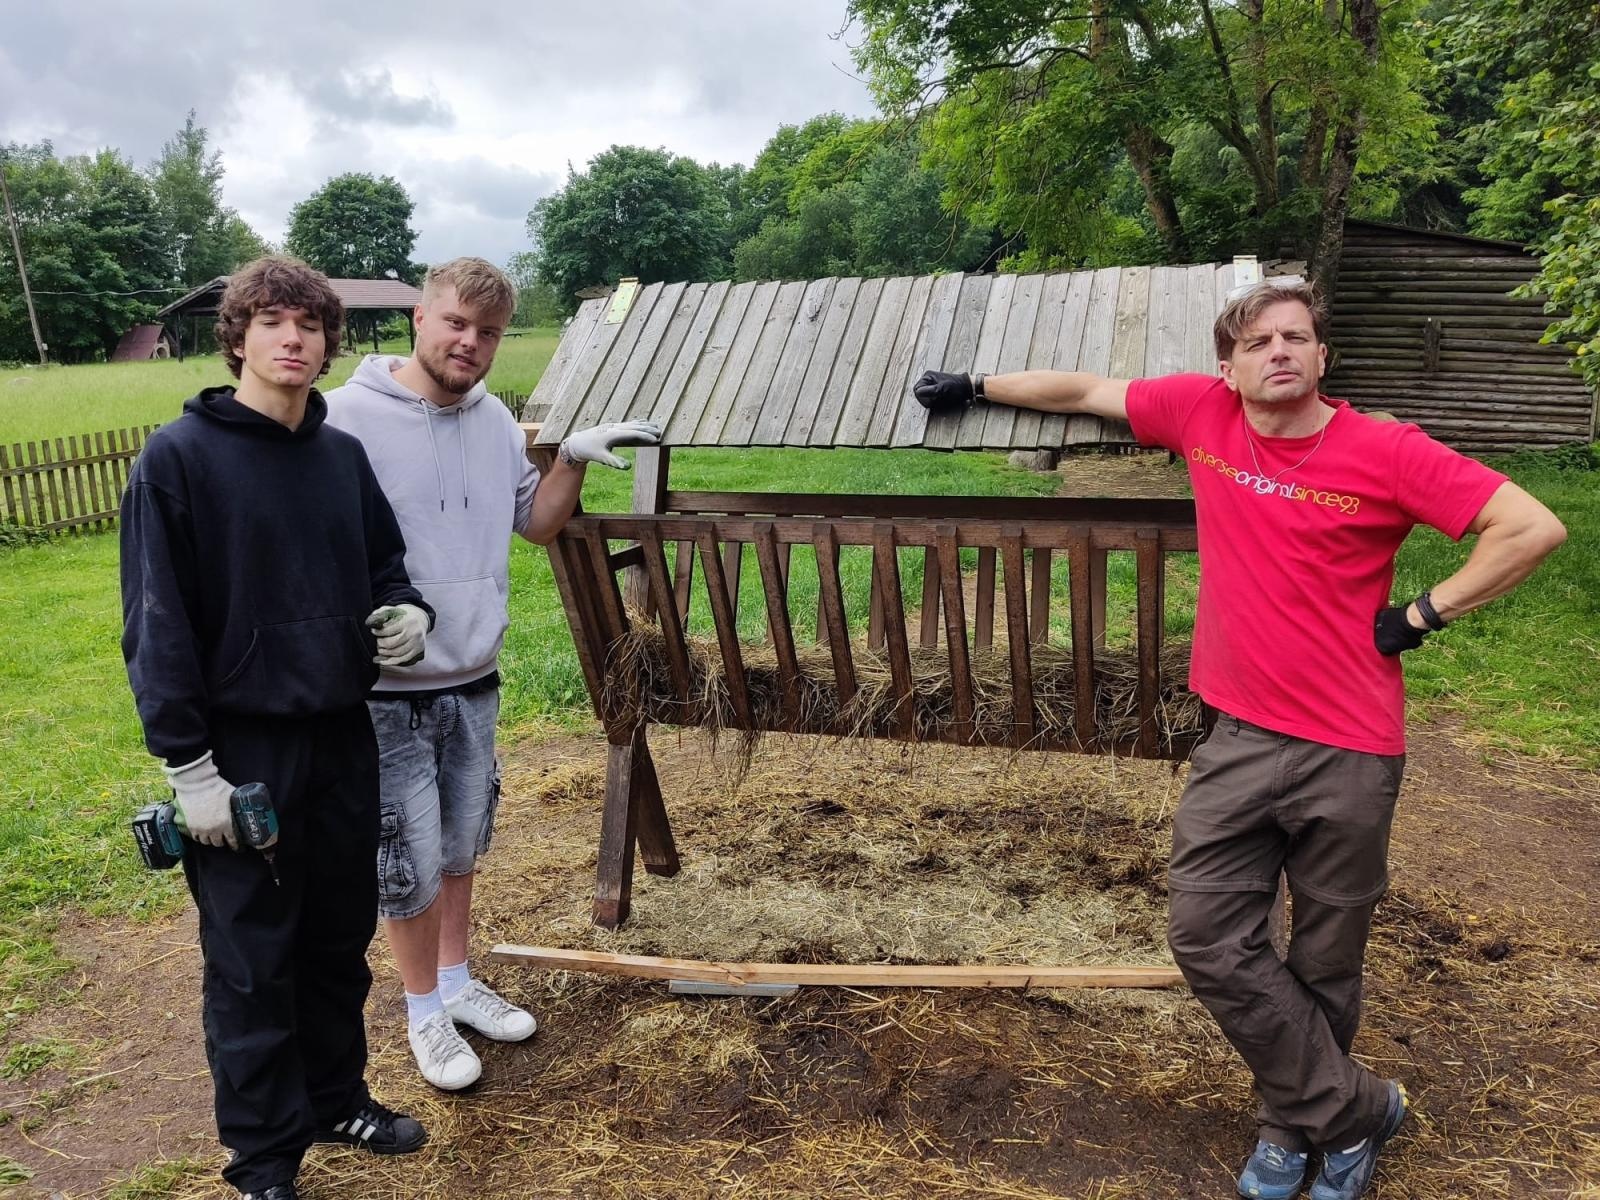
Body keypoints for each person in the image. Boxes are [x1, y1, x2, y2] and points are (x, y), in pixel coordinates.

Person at [911, 277, 1566, 1200]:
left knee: (1327, 954)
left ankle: (1292, 1131)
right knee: (1207, 932)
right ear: (1230, 364)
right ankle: (1357, 1109)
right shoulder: (1200, 413)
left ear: (1323, 356)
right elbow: (1084, 391)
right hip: (1242, 737)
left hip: (1352, 747)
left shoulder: (1386, 450)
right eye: (1258, 342)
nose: (1279, 352)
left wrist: (1423, 611)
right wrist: (976, 384)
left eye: (1296, 337)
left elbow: (1531, 526)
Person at [120, 256, 437, 1200]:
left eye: (309, 324)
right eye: (272, 323)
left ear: (328, 341)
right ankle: (263, 1160)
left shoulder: (340, 457)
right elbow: (156, 621)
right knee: (254, 964)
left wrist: (405, 612)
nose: (293, 339)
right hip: (239, 753)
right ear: (239, 336)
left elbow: (386, 564)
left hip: (343, 733)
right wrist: (188, 766)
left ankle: (338, 1098)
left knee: (337, 940)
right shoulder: (179, 459)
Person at [326, 257, 660, 1091]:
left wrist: (571, 459)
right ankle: (421, 1014)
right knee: (404, 859)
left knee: (462, 843)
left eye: (489, 333)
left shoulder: (492, 426)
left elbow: (539, 525)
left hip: (473, 676)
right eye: (456, 324)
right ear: (419, 319)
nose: (470, 343)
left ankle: (455, 981)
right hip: (383, 691)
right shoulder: (340, 422)